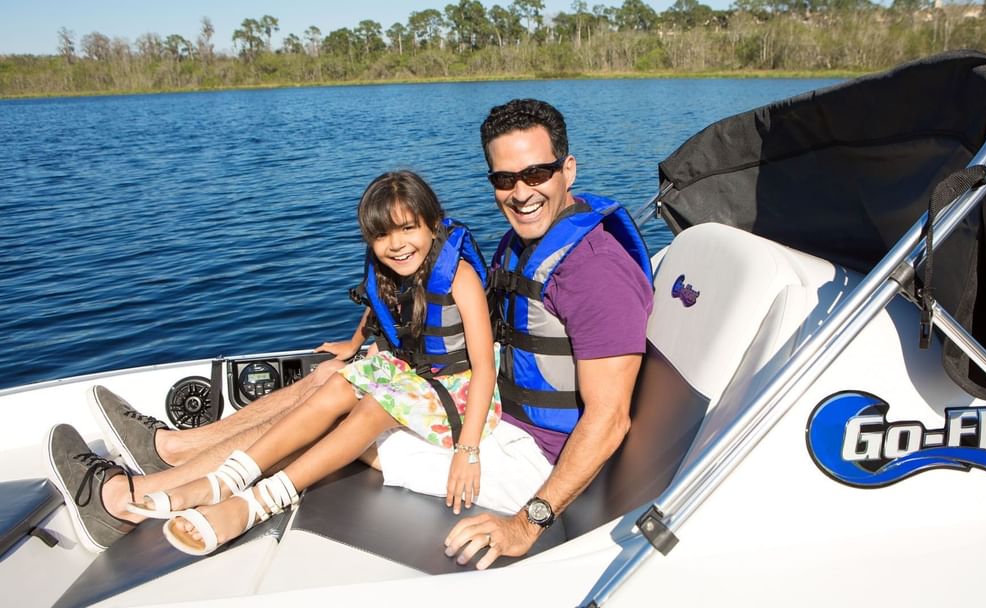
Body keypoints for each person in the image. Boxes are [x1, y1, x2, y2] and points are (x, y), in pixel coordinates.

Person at [45, 171, 549, 554]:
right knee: (334, 383)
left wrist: (468, 451)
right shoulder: (393, 267)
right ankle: (219, 477)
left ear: (433, 225)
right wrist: (353, 348)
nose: (396, 244)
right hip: (419, 382)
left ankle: (256, 500)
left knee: (375, 404)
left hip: (462, 400)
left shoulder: (457, 276)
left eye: (407, 230)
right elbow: (382, 309)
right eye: (381, 236)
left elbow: (483, 368)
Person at [440, 98, 654, 569]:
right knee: (342, 387)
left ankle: (244, 493)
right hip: (498, 421)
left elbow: (610, 418)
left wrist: (524, 524)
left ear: (568, 170)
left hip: (538, 458)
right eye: (504, 179)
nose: (521, 192)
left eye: (537, 173)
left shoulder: (595, 272)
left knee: (359, 432)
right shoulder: (519, 243)